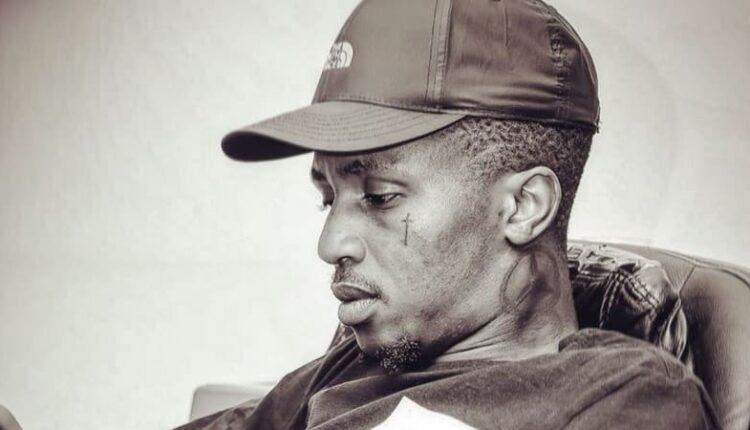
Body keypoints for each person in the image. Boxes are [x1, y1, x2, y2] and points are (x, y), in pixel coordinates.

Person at [180, 0, 719, 428]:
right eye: (328, 197)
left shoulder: (622, 397)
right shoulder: (346, 367)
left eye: (380, 196)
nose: (330, 244)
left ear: (524, 207)